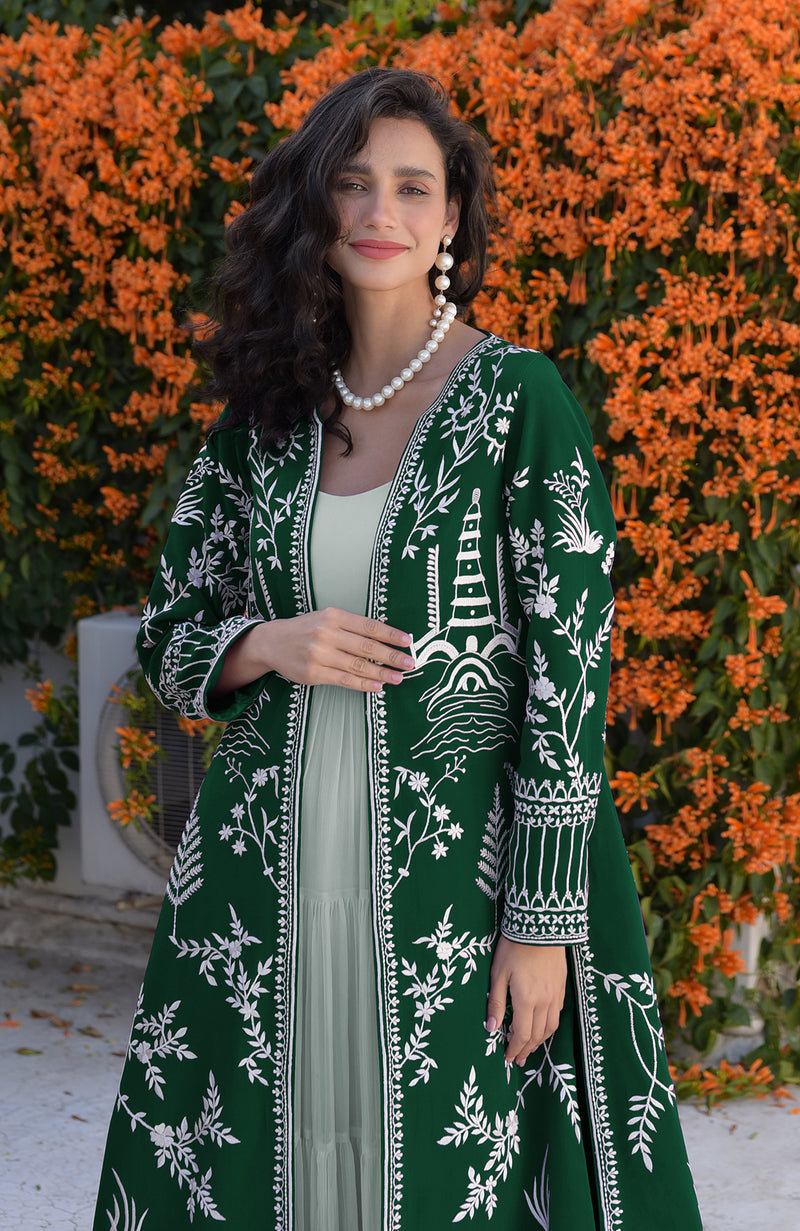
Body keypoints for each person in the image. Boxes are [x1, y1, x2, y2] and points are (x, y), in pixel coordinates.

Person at [92, 69, 703, 1231]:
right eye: (352, 182)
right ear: (313, 208)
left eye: (413, 187)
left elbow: (569, 675)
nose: (380, 210)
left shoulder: (517, 400)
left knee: (439, 1170)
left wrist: (540, 922)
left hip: (455, 884)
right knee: (265, 1164)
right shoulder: (264, 413)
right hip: (263, 879)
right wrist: (265, 641)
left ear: (451, 218)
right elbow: (170, 639)